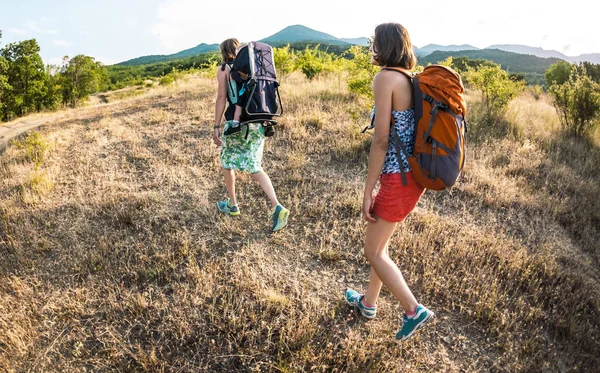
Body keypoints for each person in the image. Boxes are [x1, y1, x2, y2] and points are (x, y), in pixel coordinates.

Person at [343, 23, 434, 341]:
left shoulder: (384, 78)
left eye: (373, 42)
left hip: (396, 179)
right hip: (413, 179)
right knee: (380, 248)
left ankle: (413, 309)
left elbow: (381, 140)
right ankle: (368, 304)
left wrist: (368, 190)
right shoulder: (410, 79)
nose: (371, 47)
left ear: (383, 46)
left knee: (373, 252)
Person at [212, 38, 289, 232]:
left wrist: (216, 126)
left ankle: (232, 204)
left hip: (236, 122)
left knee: (226, 162)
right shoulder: (253, 68)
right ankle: (277, 206)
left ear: (223, 52)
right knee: (255, 166)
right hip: (256, 121)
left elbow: (222, 98)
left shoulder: (224, 70)